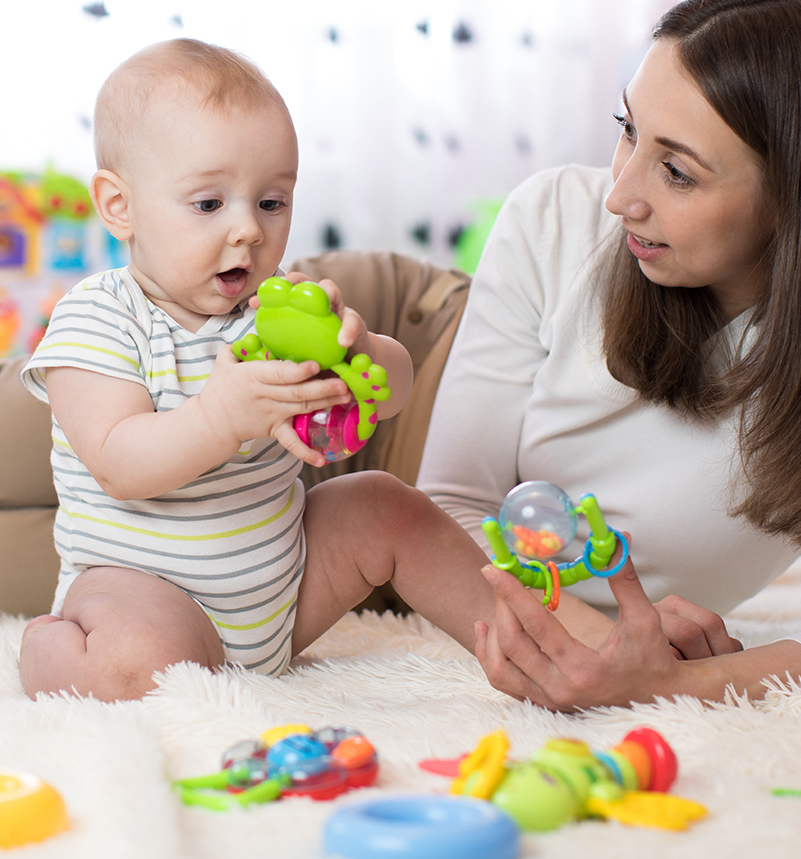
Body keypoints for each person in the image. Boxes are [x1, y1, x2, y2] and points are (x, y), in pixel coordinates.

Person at [417, 0, 801, 710]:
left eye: (676, 171)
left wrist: (688, 684)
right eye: (627, 129)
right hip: (392, 366)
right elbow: (444, 510)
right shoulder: (554, 218)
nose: (621, 195)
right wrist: (600, 643)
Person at [18, 38, 502, 703]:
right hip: (148, 592)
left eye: (271, 202)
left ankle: (527, 639)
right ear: (119, 207)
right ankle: (50, 647)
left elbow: (396, 392)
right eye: (209, 204)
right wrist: (219, 417)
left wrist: (357, 354)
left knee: (385, 504)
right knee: (130, 664)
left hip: (285, 589)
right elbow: (117, 463)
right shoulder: (99, 318)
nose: (248, 230)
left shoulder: (274, 314)